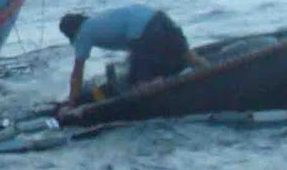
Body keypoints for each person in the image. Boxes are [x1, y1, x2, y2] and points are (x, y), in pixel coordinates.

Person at [60, 6, 210, 104]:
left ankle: (168, 95)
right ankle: (208, 72)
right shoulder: (98, 21)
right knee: (190, 58)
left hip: (144, 31)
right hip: (159, 17)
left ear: (71, 32)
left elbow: (77, 72)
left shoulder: (83, 33)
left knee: (140, 85)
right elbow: (135, 50)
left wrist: (72, 102)